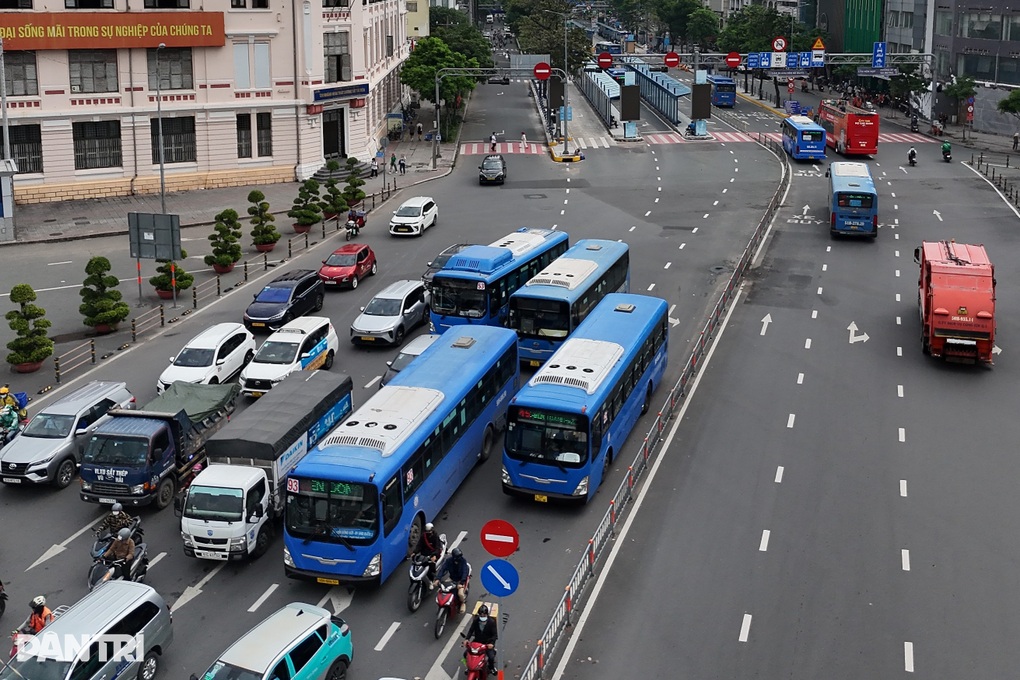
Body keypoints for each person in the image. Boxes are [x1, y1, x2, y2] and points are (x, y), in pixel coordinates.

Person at [464, 604, 498, 675]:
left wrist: (491, 643)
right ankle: (468, 666)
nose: (482, 617)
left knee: (491, 657)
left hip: (487, 643)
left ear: (487, 615)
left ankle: (492, 668)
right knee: (465, 654)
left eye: (484, 615)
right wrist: (467, 639)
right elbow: (471, 630)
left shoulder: (491, 622)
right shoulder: (476, 620)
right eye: (481, 615)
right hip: (477, 642)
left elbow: (495, 635)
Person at [435, 547, 470, 613]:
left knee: (460, 594)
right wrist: (438, 578)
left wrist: (461, 583)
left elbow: (465, 572)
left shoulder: (463, 561)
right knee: (442, 589)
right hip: (452, 578)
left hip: (460, 580)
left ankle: (463, 603)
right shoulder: (449, 561)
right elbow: (442, 569)